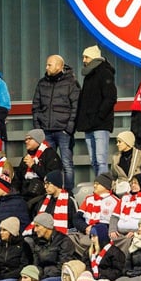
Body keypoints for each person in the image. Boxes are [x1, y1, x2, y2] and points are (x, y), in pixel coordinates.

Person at [33, 54, 81, 189]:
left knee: (66, 164)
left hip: (63, 131)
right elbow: (36, 106)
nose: (46, 67)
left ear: (59, 66)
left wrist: (69, 128)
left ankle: (68, 193)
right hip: (46, 131)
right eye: (47, 64)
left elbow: (76, 106)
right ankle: (49, 191)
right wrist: (38, 129)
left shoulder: (71, 83)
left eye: (50, 64)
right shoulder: (42, 83)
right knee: (48, 163)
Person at [78, 45, 118, 176]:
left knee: (100, 160)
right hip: (90, 124)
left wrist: (99, 116)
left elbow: (110, 97)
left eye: (86, 57)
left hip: (100, 124)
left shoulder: (104, 73)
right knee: (94, 160)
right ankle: (99, 185)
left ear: (94, 58)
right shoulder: (89, 75)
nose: (84, 60)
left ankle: (103, 187)